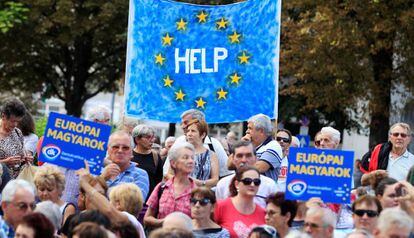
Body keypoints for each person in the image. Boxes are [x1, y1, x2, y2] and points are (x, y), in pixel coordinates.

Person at [163, 109, 232, 179]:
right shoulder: (179, 142)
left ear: (199, 122)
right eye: (182, 123)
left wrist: (204, 185)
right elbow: (166, 173)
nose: (182, 126)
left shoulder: (214, 144)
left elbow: (226, 173)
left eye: (186, 122)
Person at [144, 141, 197, 229]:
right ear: (173, 163)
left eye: (192, 157)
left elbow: (201, 223)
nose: (191, 161)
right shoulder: (161, 188)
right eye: (185, 157)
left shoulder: (197, 192)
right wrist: (165, 222)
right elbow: (147, 219)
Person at [216, 140, 278, 208]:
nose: (244, 160)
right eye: (239, 156)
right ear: (233, 159)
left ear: (256, 158)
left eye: (248, 156)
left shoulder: (270, 185)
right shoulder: (222, 185)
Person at [214, 166, 266, 238]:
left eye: (256, 182)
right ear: (237, 184)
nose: (252, 185)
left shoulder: (263, 213)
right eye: (247, 181)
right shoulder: (221, 206)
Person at [101, 131, 149, 200]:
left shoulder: (140, 174)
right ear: (108, 150)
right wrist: (102, 178)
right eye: (115, 147)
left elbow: (133, 204)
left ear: (132, 152)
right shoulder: (96, 171)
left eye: (125, 148)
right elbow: (86, 199)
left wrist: (100, 190)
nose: (120, 150)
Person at [241, 113, 283, 182]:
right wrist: (241, 146)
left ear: (261, 131)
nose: (247, 131)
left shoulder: (273, 146)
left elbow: (259, 168)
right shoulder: (249, 145)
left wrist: (239, 164)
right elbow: (229, 164)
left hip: (264, 192)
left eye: (250, 128)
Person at [0, 98, 32, 178]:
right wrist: (4, 162)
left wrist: (26, 158)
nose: (15, 124)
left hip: (17, 183)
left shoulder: (17, 132)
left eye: (18, 121)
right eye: (12, 121)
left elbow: (22, 154)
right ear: (3, 116)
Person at [184, 119, 219, 187]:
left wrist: (201, 183)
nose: (189, 134)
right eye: (188, 131)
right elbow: (169, 174)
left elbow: (215, 180)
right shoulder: (180, 152)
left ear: (203, 135)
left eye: (193, 131)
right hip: (182, 193)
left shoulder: (211, 155)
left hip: (201, 194)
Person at [132, 124, 163, 196]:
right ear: (137, 139)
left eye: (153, 137)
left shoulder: (155, 156)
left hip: (149, 202)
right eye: (148, 137)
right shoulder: (129, 155)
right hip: (131, 199)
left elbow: (158, 181)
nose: (152, 140)